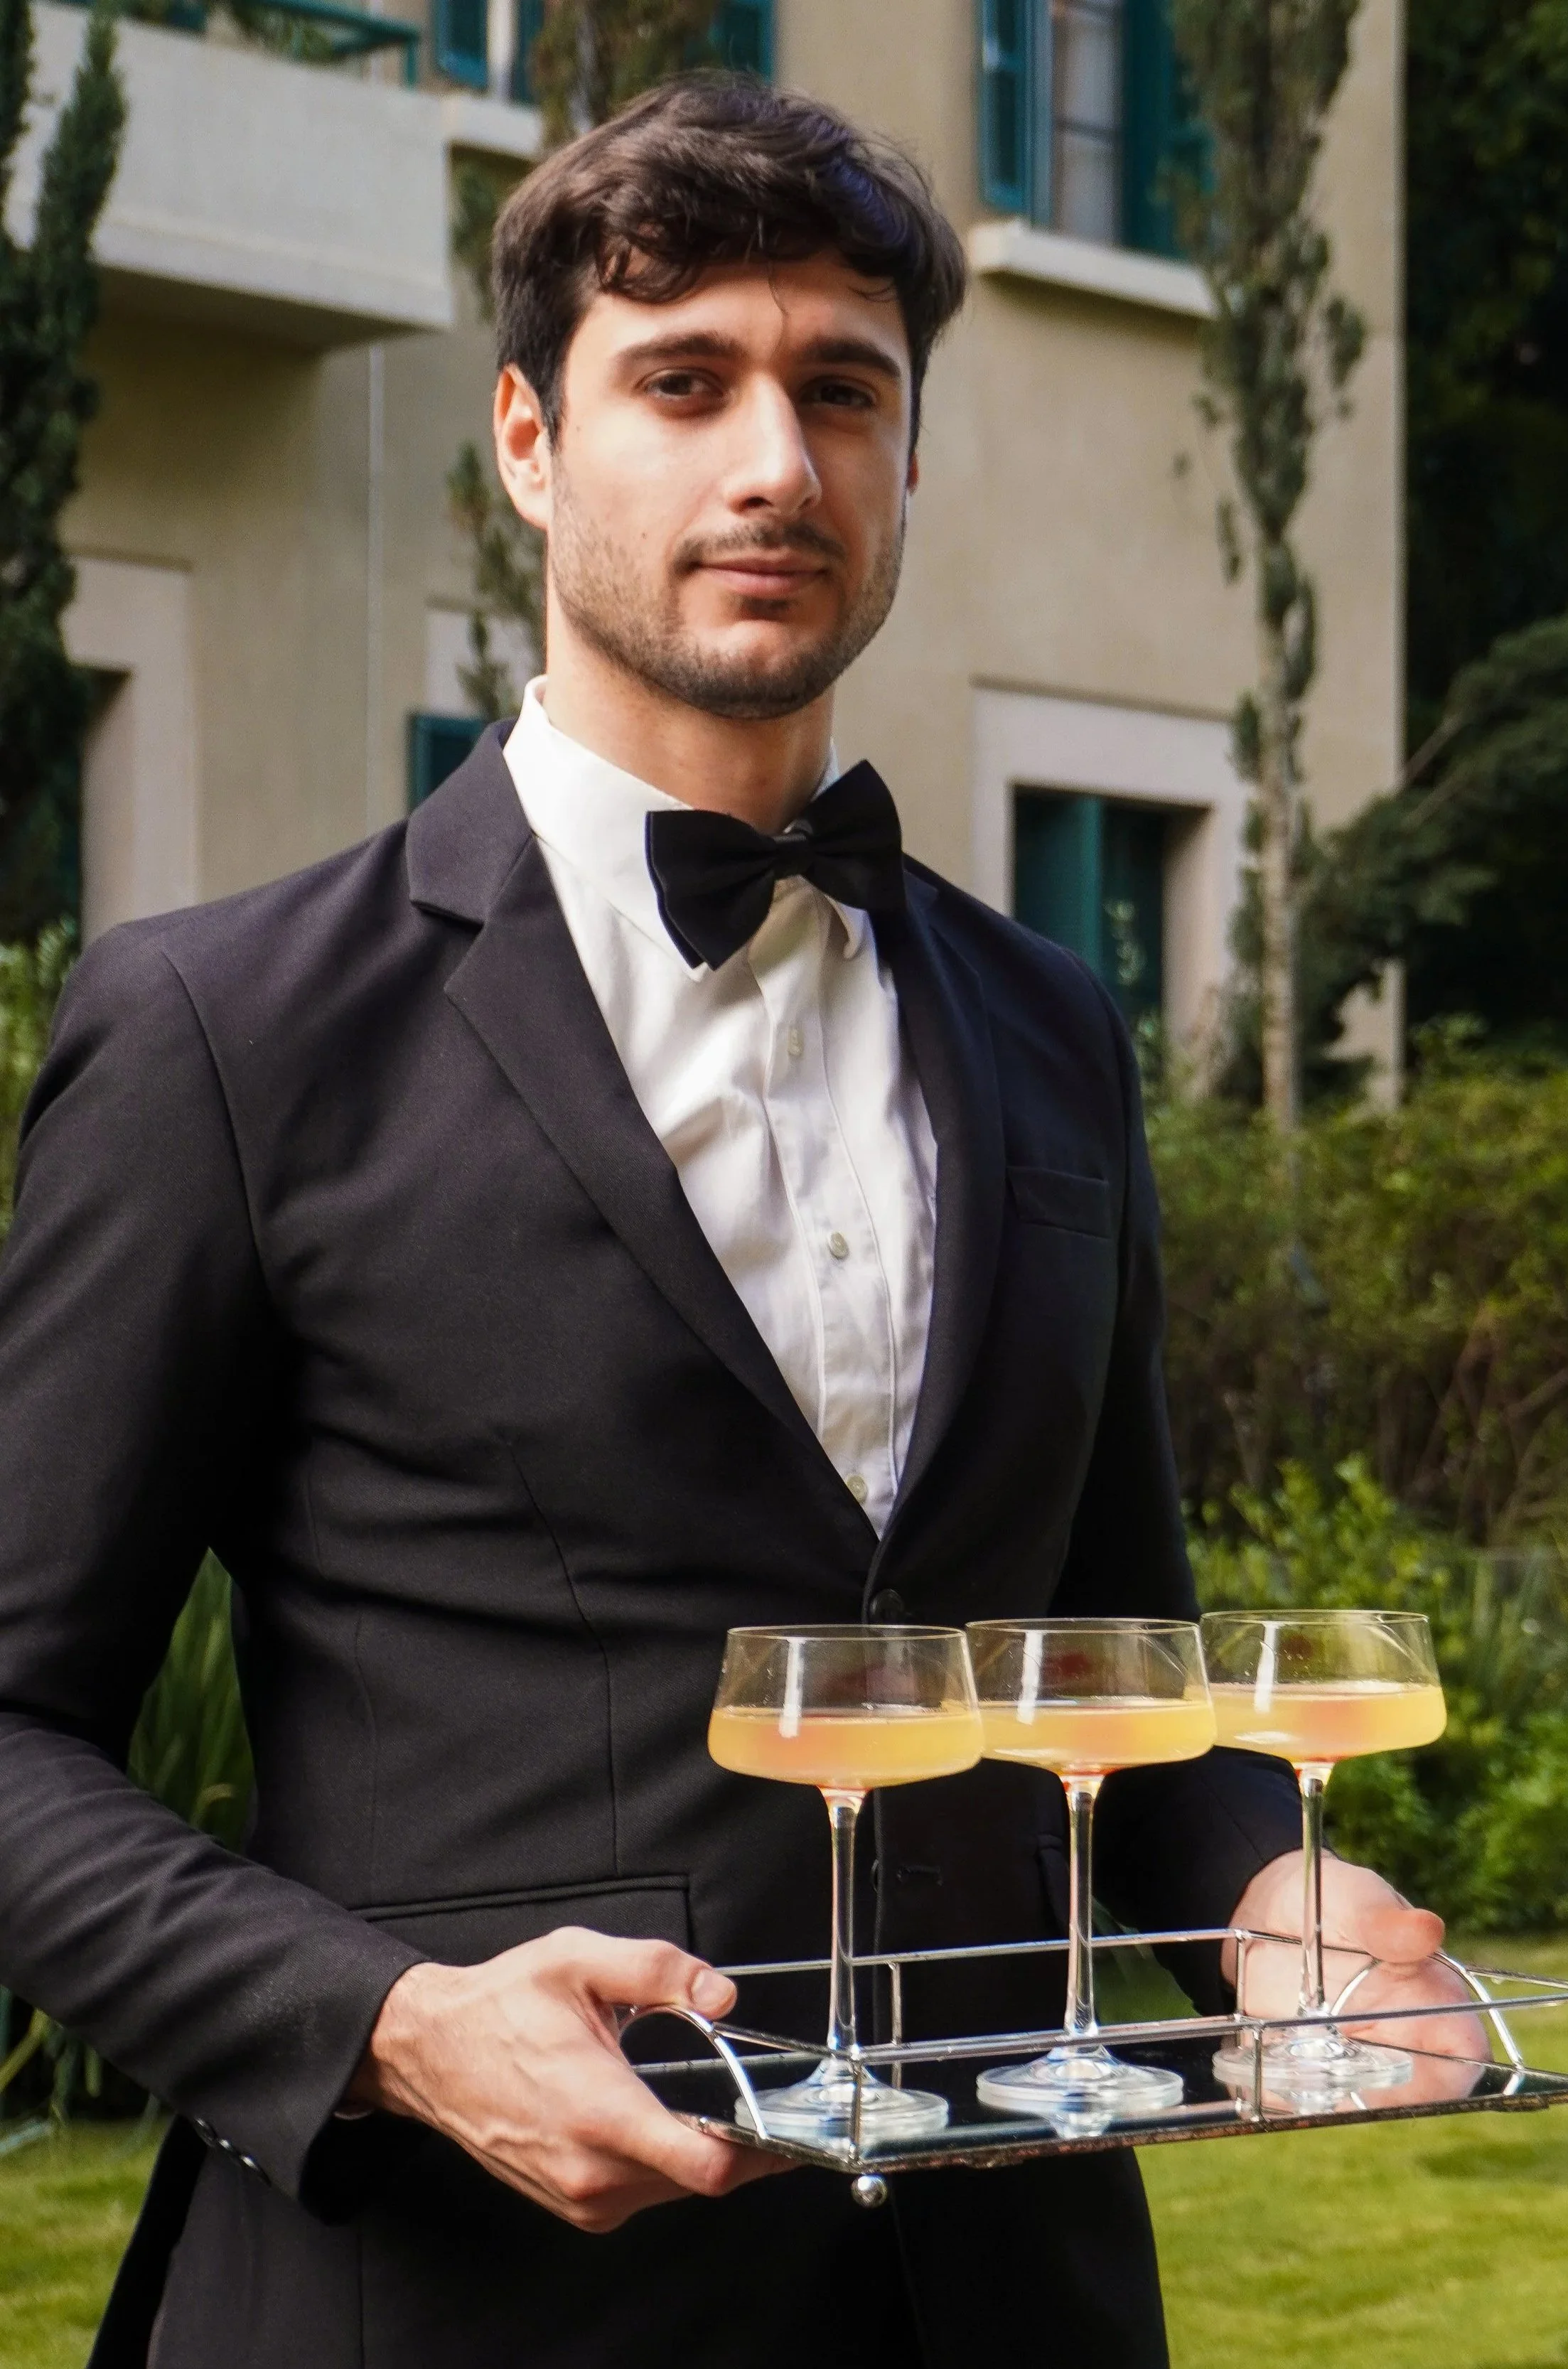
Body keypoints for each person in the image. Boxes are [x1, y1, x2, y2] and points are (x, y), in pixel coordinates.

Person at [0, 75, 1473, 2369]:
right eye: (678, 382)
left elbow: (1110, 1654)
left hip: (1010, 2300)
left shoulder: (1055, 1026)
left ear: (904, 457)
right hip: (448, 2307)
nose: (772, 462)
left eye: (841, 391)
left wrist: (1264, 1899)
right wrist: (382, 2018)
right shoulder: (219, 1032)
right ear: (525, 440)